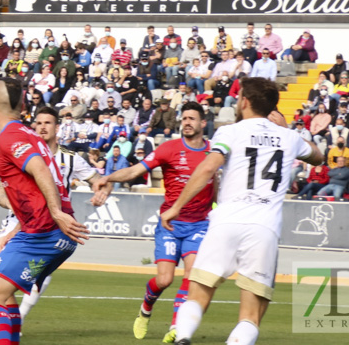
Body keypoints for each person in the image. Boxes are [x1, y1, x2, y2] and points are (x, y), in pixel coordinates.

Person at [162, 77, 323, 345]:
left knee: (197, 296)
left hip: (225, 221)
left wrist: (176, 207)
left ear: (244, 101)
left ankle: (183, 338)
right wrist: (288, 129)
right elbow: (317, 156)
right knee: (250, 316)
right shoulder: (289, 137)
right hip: (264, 227)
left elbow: (208, 168)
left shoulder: (229, 131)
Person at [0, 106, 109, 336]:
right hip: (23, 221)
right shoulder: (23, 147)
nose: (42, 127)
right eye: (38, 123)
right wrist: (18, 206)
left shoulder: (69, 158)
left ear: (57, 127)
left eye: (47, 123)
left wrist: (102, 189)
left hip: (46, 225)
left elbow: (99, 179)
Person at [0, 79, 89, 345]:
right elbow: (33, 188)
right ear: (24, 105)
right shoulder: (29, 135)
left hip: (46, 231)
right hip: (50, 232)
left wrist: (56, 212)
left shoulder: (10, 137)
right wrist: (17, 229)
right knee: (3, 295)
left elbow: (39, 169)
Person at [106, 102, 213, 343]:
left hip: (200, 224)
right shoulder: (169, 148)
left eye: (192, 118)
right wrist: (107, 178)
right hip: (170, 224)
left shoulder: (213, 152)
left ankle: (176, 327)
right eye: (184, 118)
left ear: (202, 123)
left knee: (191, 275)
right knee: (165, 279)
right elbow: (135, 170)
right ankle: (146, 308)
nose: (187, 122)